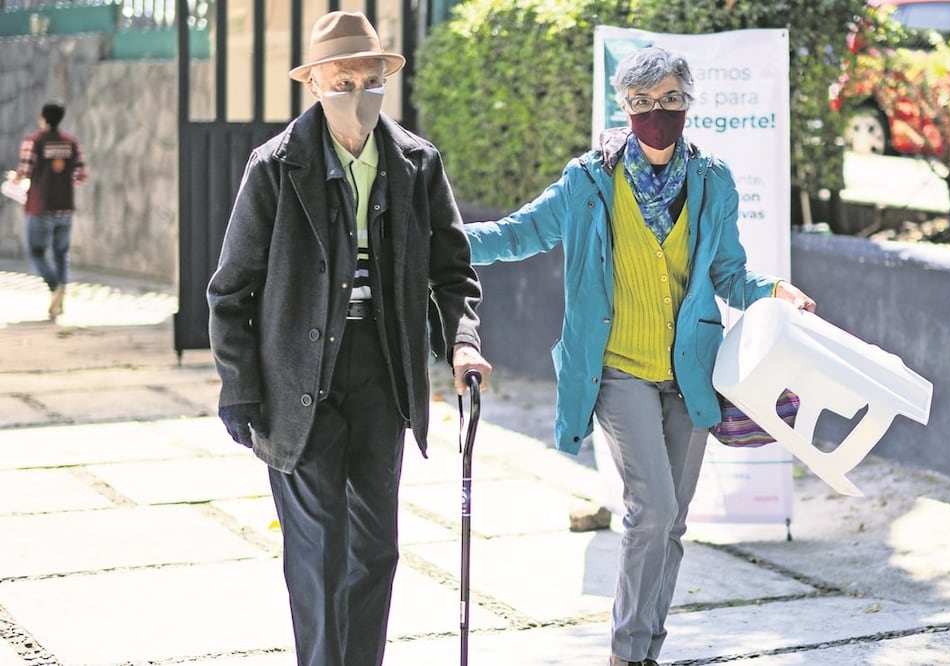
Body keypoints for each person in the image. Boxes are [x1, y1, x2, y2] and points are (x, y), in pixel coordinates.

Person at [465, 46, 816, 666]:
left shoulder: (713, 181)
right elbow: (519, 233)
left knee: (674, 520)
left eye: (671, 100)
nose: (659, 113)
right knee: (649, 506)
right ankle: (626, 653)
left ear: (688, 103)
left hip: (691, 374)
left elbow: (729, 273)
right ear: (625, 107)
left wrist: (771, 289)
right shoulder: (589, 182)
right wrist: (440, 244)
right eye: (644, 103)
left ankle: (650, 649)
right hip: (618, 369)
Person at [206, 11, 491, 665]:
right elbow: (230, 292)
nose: (356, 94)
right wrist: (240, 387)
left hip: (382, 373)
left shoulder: (416, 163)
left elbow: (452, 272)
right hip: (295, 378)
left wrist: (462, 342)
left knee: (375, 549)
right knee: (320, 550)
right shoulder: (275, 167)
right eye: (341, 81)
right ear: (314, 85)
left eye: (368, 79)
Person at [12, 101, 88, 321]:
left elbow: (24, 172)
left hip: (40, 206)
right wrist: (62, 183)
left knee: (36, 252)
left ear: (43, 117)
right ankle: (60, 293)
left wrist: (14, 182)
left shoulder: (33, 142)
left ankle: (55, 286)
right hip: (65, 206)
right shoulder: (72, 143)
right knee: (61, 253)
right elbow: (81, 175)